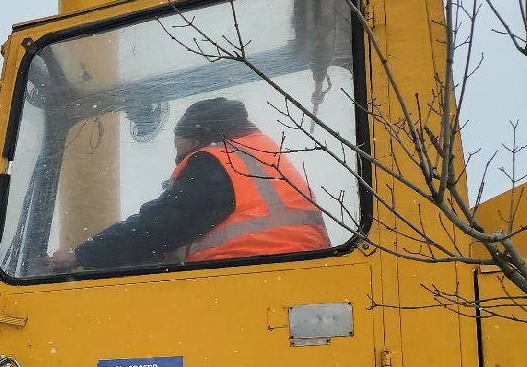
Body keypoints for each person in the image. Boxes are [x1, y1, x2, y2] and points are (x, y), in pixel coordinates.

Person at [50, 97, 330, 272]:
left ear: (196, 141)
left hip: (246, 271)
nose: (179, 163)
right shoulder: (261, 154)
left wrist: (80, 256)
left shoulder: (212, 162)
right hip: (306, 267)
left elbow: (157, 227)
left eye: (180, 152)